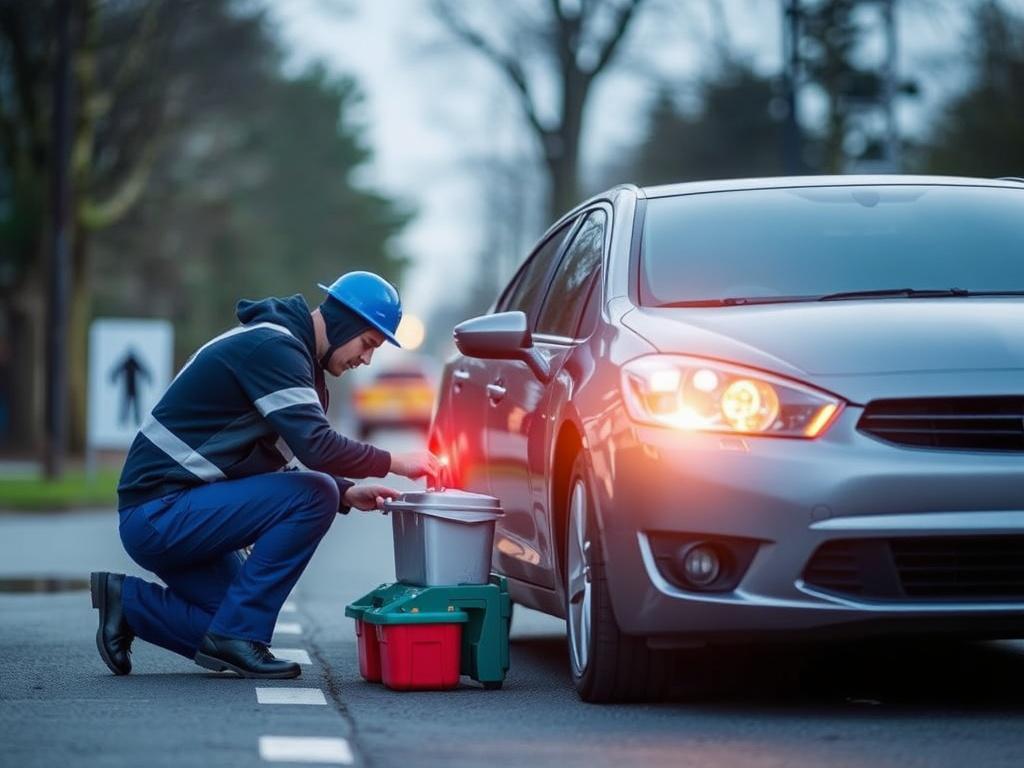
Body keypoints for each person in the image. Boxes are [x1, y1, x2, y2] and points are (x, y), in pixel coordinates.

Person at [90, 272, 439, 679]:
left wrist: (346, 492)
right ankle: (237, 635)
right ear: (343, 322)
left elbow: (270, 463)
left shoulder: (292, 358)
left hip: (174, 512)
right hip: (160, 512)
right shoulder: (274, 348)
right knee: (314, 494)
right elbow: (317, 447)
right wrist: (395, 461)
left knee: (227, 621)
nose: (366, 359)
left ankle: (127, 603)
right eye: (367, 344)